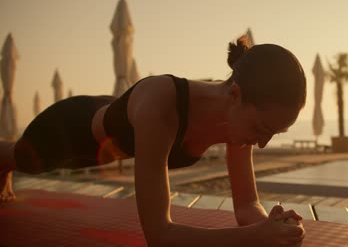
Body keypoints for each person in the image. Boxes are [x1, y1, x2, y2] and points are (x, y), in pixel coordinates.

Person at [0, 35, 307, 246]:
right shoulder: (161, 105)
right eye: (262, 128)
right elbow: (159, 235)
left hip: (115, 137)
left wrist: (272, 226)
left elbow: (247, 206)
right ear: (236, 94)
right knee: (24, 159)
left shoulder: (239, 124)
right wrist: (253, 239)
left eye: (274, 134)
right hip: (69, 131)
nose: (263, 143)